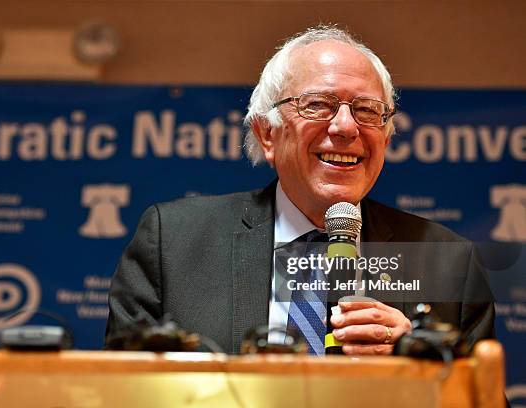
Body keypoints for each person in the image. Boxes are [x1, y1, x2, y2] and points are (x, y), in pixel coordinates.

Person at [105, 25, 494, 355]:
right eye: (319, 104)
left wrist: (420, 366)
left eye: (366, 110)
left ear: (387, 138)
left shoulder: (448, 263)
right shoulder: (172, 243)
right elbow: (116, 391)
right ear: (267, 133)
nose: (345, 127)